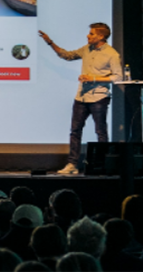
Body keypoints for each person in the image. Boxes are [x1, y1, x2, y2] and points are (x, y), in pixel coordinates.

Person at [39, 23, 122, 175]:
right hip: (81, 97)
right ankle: (72, 165)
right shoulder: (86, 49)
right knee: (75, 131)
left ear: (101, 36)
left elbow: (118, 77)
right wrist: (50, 42)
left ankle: (103, 164)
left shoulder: (112, 54)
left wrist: (94, 78)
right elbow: (67, 55)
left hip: (99, 97)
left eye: (91, 34)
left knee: (101, 132)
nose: (87, 36)